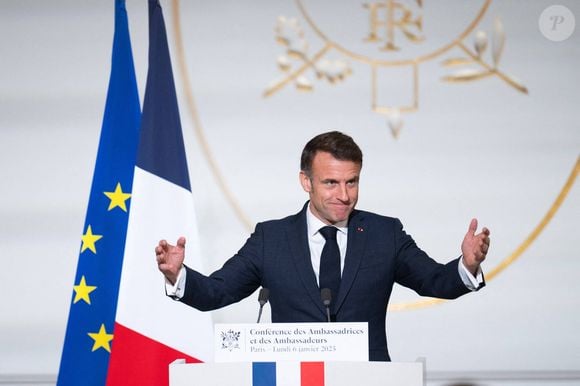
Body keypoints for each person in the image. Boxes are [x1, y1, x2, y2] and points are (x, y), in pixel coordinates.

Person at [156, 131, 489, 361]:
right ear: (306, 182)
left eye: (352, 182)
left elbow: (433, 280)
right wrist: (178, 274)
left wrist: (467, 265)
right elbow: (218, 292)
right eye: (331, 182)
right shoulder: (271, 239)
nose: (344, 195)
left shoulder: (384, 234)